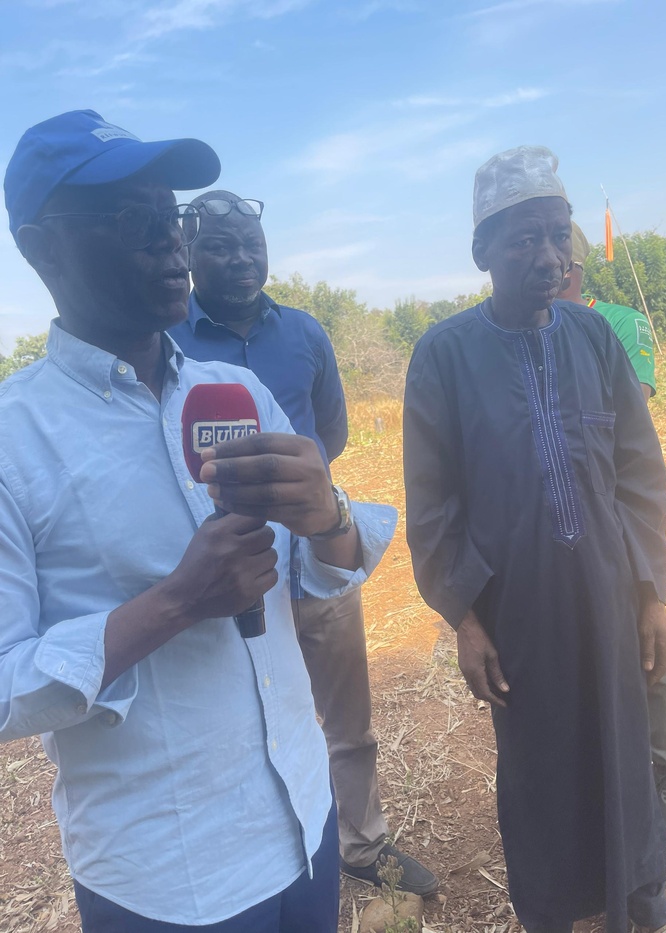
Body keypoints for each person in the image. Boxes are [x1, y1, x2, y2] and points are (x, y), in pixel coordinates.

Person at [0, 110, 397, 933]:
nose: (169, 241)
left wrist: (327, 516)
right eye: (129, 219)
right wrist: (175, 602)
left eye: (171, 214)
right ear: (40, 249)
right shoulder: (13, 438)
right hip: (168, 875)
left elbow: (321, 571)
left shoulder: (235, 395)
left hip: (302, 815)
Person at [403, 145, 666, 933]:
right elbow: (431, 505)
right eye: (523, 238)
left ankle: (639, 898)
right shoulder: (442, 356)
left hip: (608, 594)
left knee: (623, 753)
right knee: (538, 771)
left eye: (558, 235)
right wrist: (463, 617)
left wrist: (650, 594)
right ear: (481, 252)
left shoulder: (595, 340)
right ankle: (555, 913)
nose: (548, 256)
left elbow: (639, 473)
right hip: (517, 610)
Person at [168, 189, 438, 896]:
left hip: (318, 561)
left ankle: (362, 843)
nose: (240, 258)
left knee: (348, 720)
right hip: (226, 579)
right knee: (240, 724)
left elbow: (333, 436)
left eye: (251, 243)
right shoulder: (168, 343)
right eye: (220, 245)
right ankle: (260, 858)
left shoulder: (306, 334)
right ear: (188, 253)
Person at [558, 223, 666, 841]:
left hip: (619, 509)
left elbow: (627, 409)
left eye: (556, 256)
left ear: (574, 267)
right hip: (556, 526)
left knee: (649, 643)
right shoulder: (511, 340)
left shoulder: (618, 322)